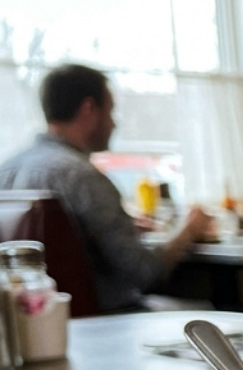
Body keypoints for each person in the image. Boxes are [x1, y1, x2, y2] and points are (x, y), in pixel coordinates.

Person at [0, 64, 212, 312]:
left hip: (36, 325)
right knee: (207, 312)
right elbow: (145, 272)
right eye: (110, 112)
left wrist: (121, 226)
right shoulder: (83, 177)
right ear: (89, 109)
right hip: (107, 319)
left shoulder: (7, 170)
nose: (113, 125)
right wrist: (188, 229)